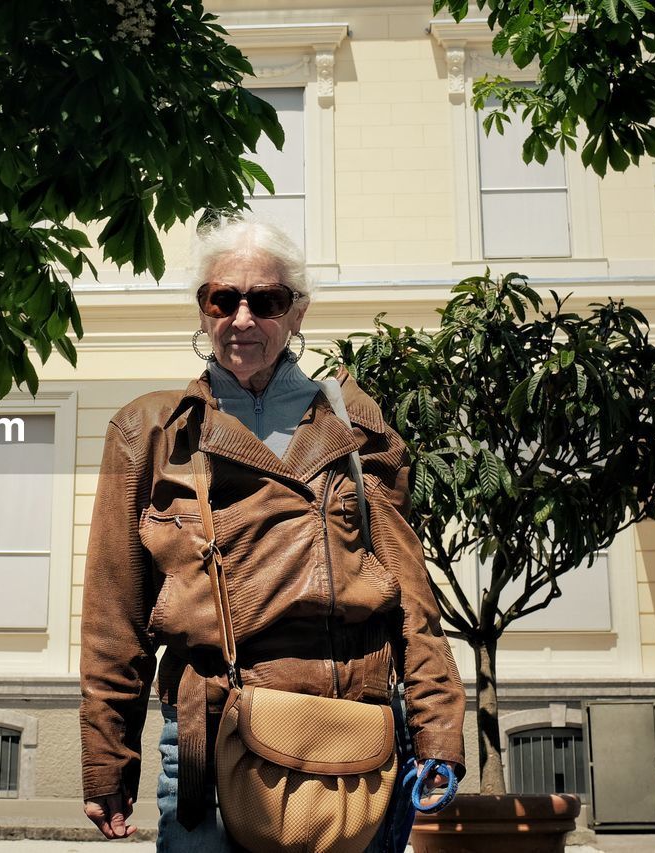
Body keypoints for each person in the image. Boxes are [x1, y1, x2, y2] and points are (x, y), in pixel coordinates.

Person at [78, 214, 465, 851]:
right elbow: (114, 616)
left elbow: (411, 594)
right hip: (210, 741)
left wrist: (437, 730)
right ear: (202, 310)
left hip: (349, 738)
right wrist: (106, 757)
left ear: (298, 312)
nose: (242, 318)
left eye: (267, 300)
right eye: (222, 299)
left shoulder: (356, 424)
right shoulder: (149, 433)